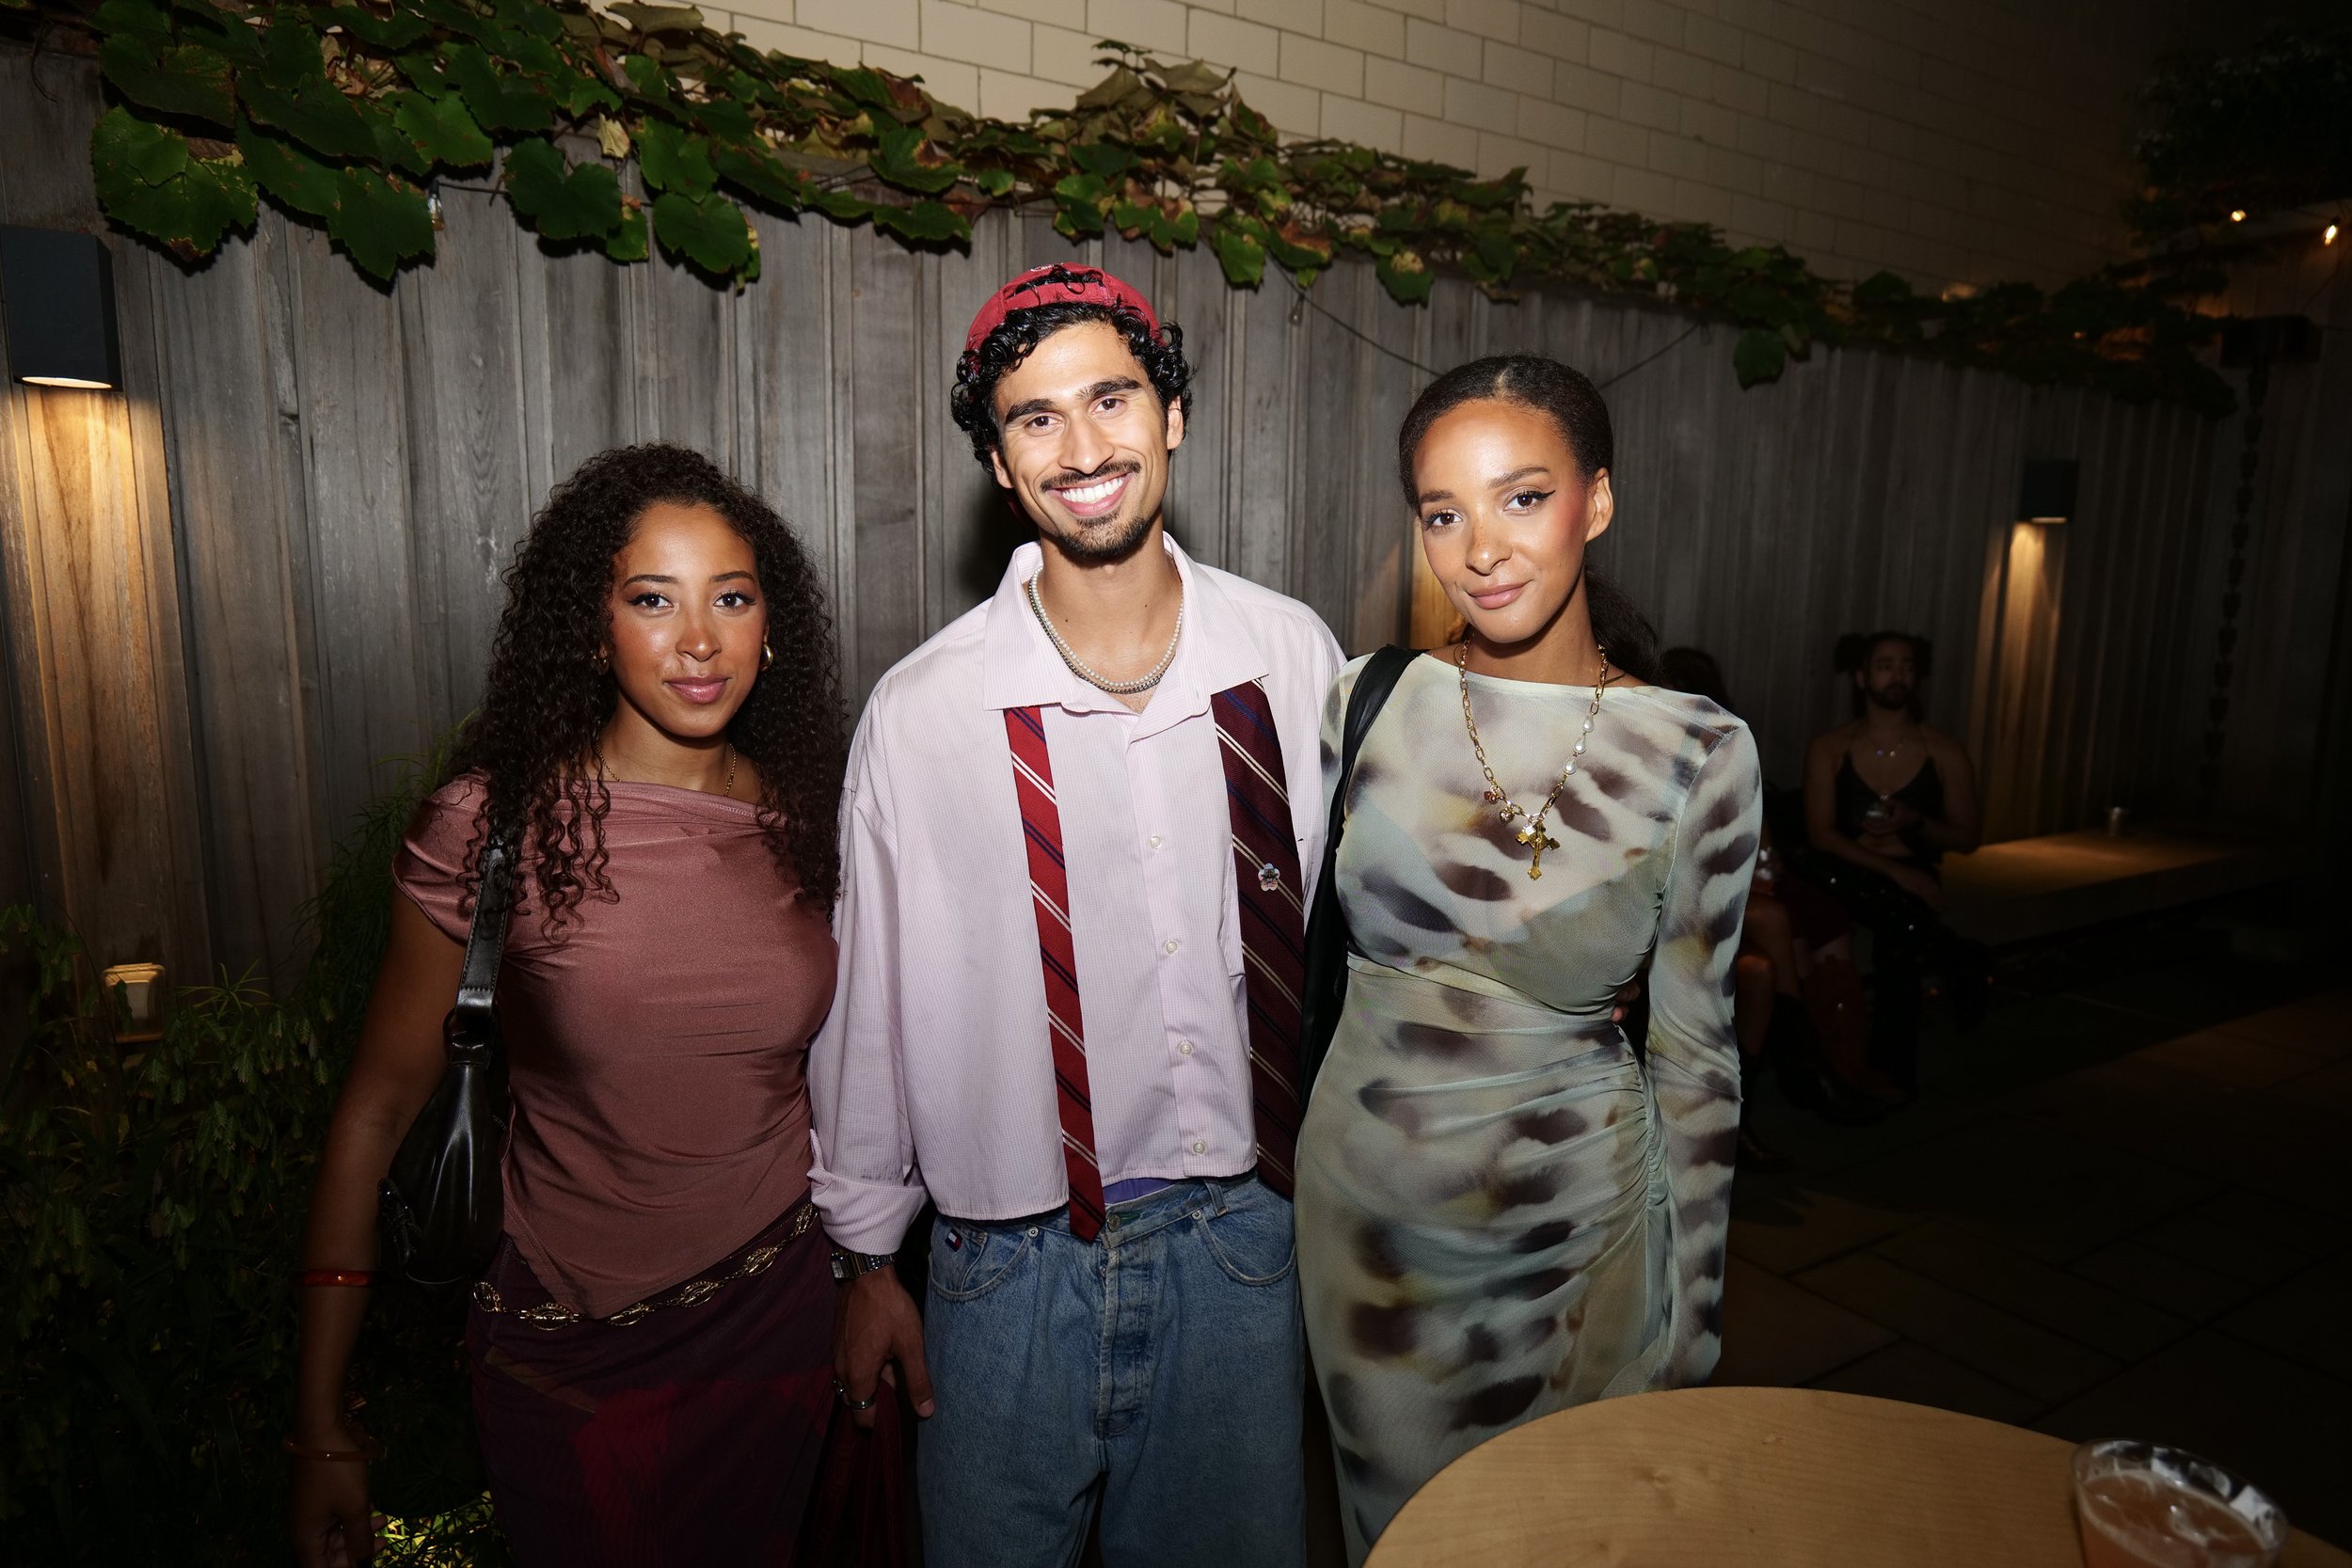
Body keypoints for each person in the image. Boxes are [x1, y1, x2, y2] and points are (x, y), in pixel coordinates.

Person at [813, 264, 1342, 1568]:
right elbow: (869, 993)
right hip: (1007, 1260)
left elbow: (1354, 921)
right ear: (998, 462)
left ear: (1171, 413)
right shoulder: (925, 709)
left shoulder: (1290, 659)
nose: (1082, 445)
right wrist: (868, 1257)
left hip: (1246, 1236)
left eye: (1111, 397)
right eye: (1034, 417)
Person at [287, 444, 849, 1568]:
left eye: (730, 598)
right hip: (566, 1348)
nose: (699, 639)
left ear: (769, 627)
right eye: (653, 599)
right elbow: (374, 1111)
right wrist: (319, 1426)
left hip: (778, 1326)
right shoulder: (493, 827)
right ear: (591, 631)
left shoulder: (819, 818)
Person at [1296, 356, 1760, 1562]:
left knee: (1568, 1536)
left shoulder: (1696, 749)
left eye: (1522, 496)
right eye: (1442, 512)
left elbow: (1700, 1063)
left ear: (1594, 503)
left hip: (1573, 1235)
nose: (1480, 547)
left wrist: (1692, 1319)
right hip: (1371, 1241)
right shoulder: (1366, 702)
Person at [1658, 647, 1883, 1148]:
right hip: (1680, 896)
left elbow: (1752, 825)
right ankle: (1811, 1068)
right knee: (1779, 921)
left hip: (1731, 888)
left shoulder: (1726, 747)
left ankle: (1833, 1065)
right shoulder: (1654, 754)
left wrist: (1764, 858)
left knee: (1810, 926)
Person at [1800, 630, 1990, 1094]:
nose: (1897, 675)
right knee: (1828, 876)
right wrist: (1895, 871)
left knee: (1896, 939)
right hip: (1845, 872)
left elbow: (1967, 838)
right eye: (1885, 665)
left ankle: (1891, 1073)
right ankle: (1950, 951)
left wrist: (1917, 821)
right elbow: (1820, 834)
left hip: (1908, 877)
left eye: (1906, 666)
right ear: (1863, 678)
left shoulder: (1943, 751)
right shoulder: (1831, 748)